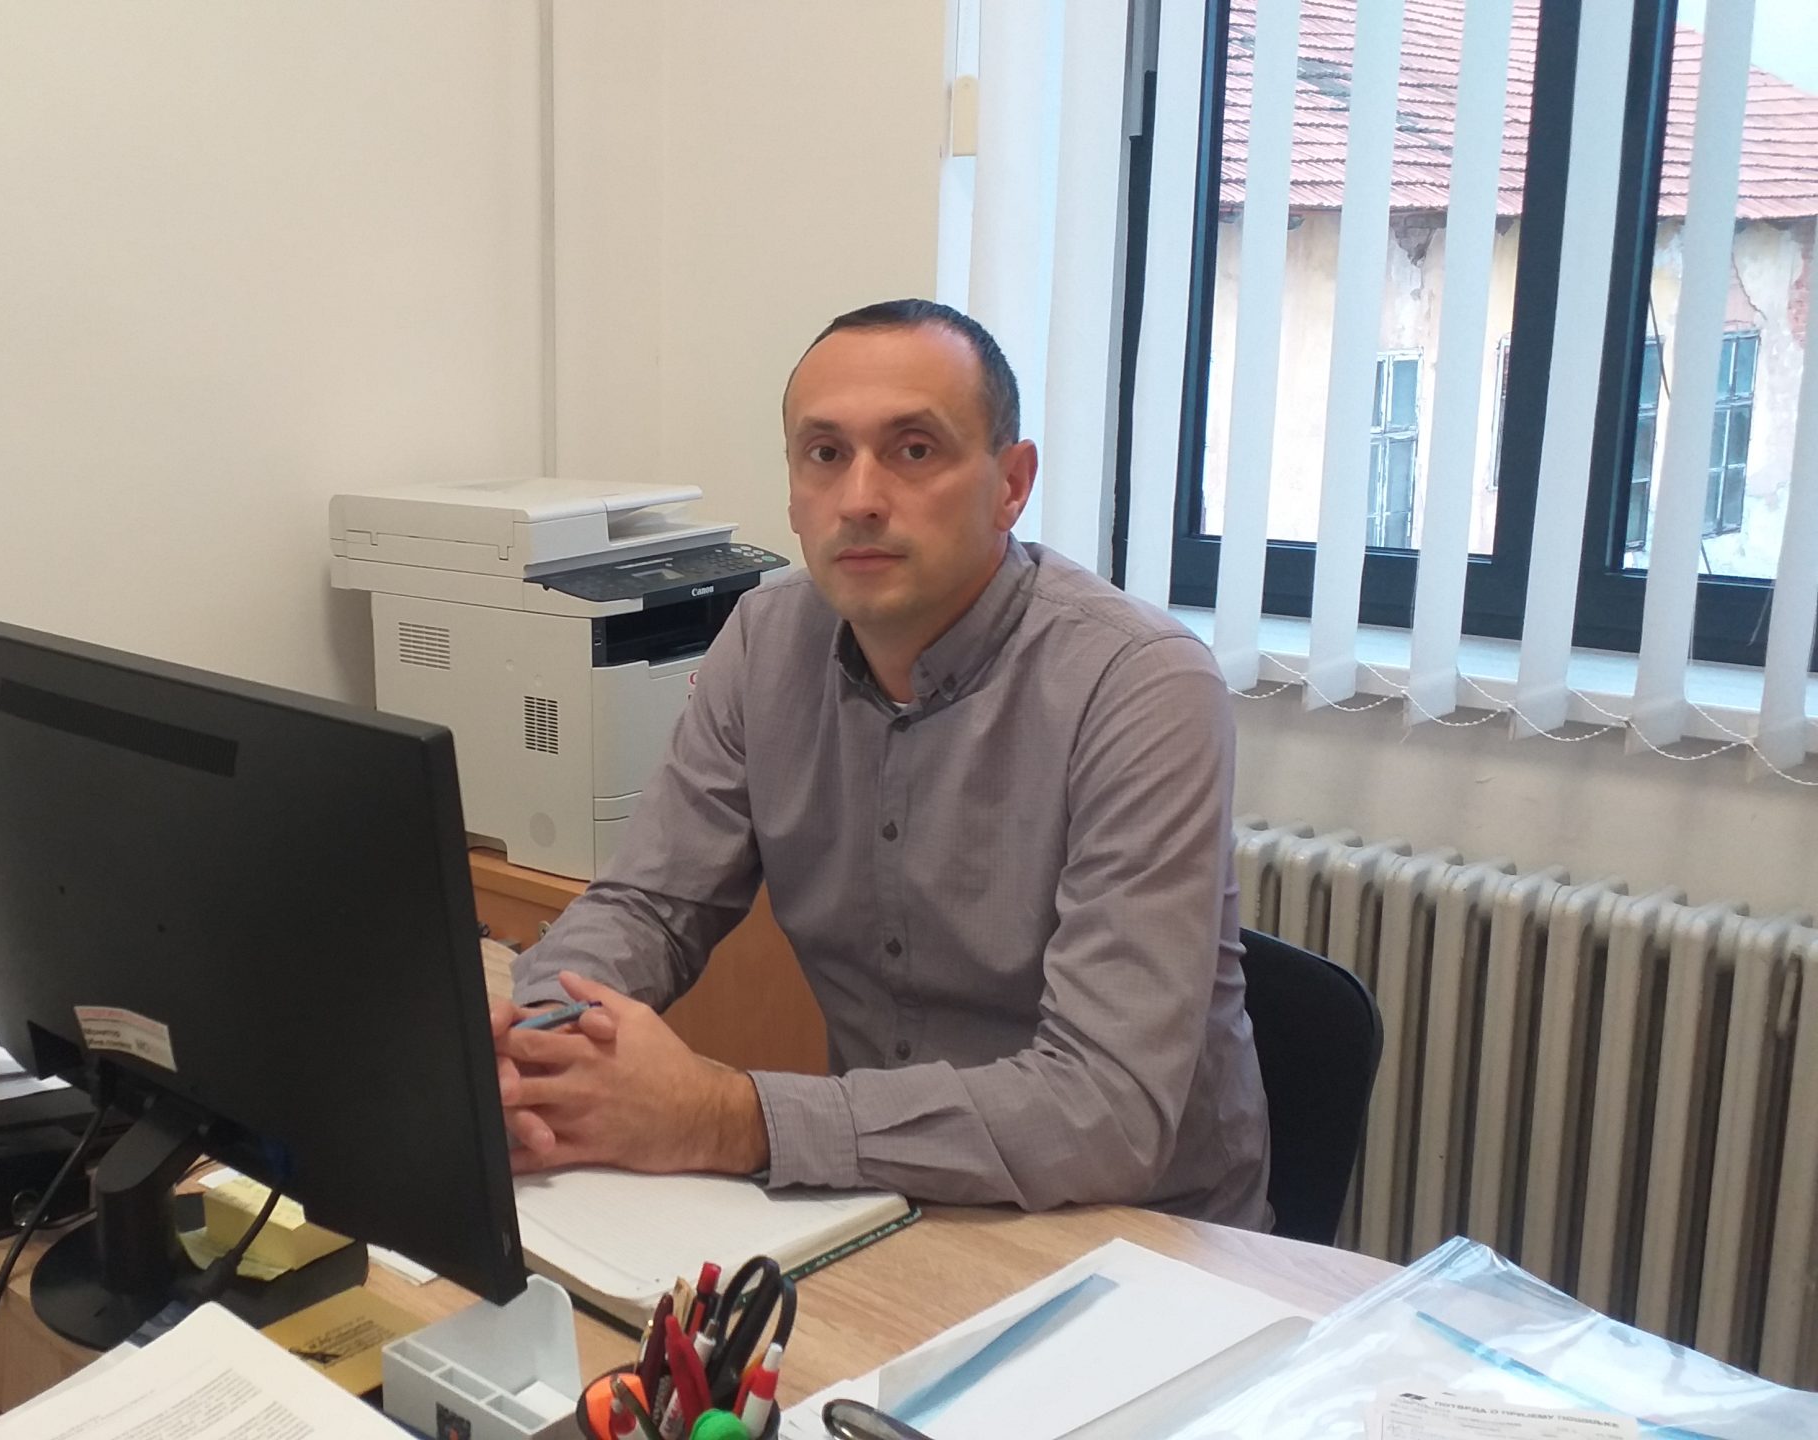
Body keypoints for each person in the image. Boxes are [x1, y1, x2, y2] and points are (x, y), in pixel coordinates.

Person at [490, 298, 1268, 1227]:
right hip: (879, 1197)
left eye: (914, 450)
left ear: (1011, 484)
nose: (859, 497)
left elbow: (1104, 1109)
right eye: (825, 454)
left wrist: (725, 1116)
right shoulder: (764, 641)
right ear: (793, 490)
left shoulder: (1140, 685)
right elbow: (650, 907)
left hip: (1132, 1234)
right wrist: (526, 1040)